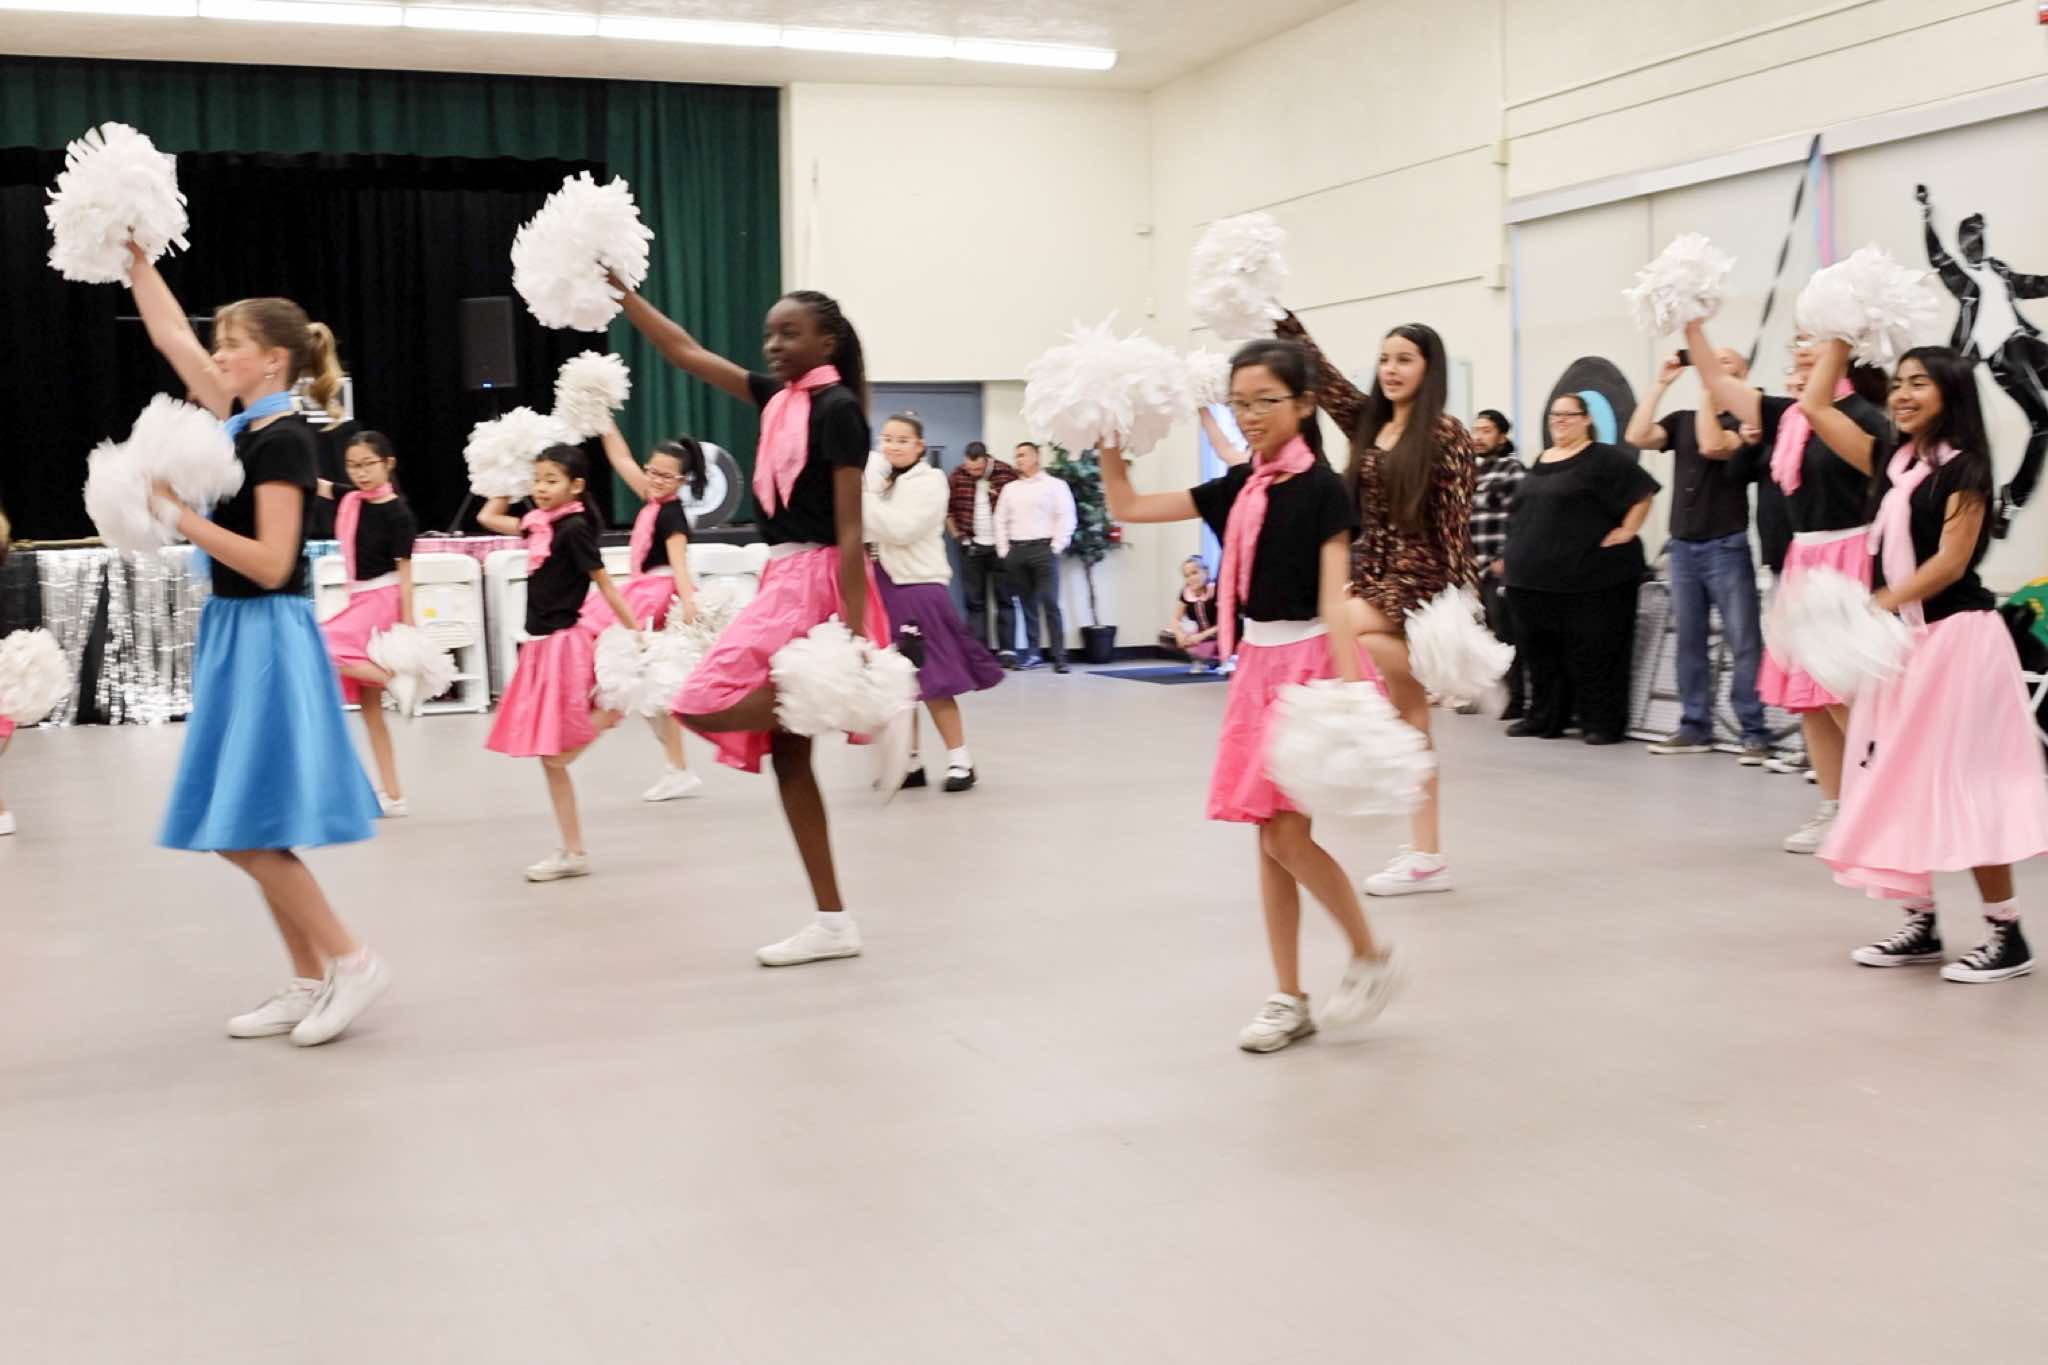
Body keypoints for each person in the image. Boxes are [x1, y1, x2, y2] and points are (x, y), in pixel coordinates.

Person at [1100, 338, 1399, 1053]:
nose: (1251, 414)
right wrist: (1107, 432)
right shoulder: (1241, 487)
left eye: (1267, 400)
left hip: (1309, 665)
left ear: (1304, 404)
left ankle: (1368, 953)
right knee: (1267, 842)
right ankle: (1288, 995)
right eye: (1240, 402)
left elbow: (1333, 600)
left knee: (1285, 836)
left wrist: (1351, 697)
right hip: (1256, 665)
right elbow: (1128, 503)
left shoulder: (1324, 490)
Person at [126, 246, 389, 1047]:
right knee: (253, 820)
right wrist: (132, 252)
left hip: (268, 634)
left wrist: (178, 517)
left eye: (230, 345)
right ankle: (309, 977)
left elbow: (274, 563)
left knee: (241, 825)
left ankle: (351, 960)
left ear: (272, 359)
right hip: (235, 632)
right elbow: (172, 336)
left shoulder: (283, 442)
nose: (215, 356)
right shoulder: (241, 423)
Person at [617, 282, 887, 968]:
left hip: (819, 580)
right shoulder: (777, 401)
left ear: (827, 342)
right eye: (770, 333)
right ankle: (833, 922)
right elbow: (685, 352)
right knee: (789, 761)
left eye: (789, 333)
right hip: (782, 574)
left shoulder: (837, 410)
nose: (774, 344)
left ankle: (852, 699)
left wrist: (856, 637)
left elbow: (850, 530)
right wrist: (624, 295)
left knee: (698, 701)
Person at [1802, 341, 2048, 982]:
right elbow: (1815, 407)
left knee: (1967, 783)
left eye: (1920, 383)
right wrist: (1836, 339)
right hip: (1901, 646)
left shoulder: (1966, 470)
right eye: (1898, 383)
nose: (1903, 395)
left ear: (1950, 393)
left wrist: (1871, 607)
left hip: (1958, 644)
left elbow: (1950, 563)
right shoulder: (1891, 460)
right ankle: (1921, 923)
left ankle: (2007, 934)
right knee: (1893, 779)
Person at [1275, 315, 1475, 899]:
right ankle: (1428, 856)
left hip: (1418, 580)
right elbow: (1326, 378)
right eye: (1385, 358)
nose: (1391, 369)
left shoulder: (1447, 435)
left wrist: (1464, 607)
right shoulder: (1371, 421)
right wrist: (1281, 320)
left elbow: (1456, 527)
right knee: (1412, 719)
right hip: (1373, 576)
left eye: (1404, 359)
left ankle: (1405, 686)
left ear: (1429, 369)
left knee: (1337, 628)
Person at [1688, 318, 1887, 853]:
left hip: (1851, 558)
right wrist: (1692, 324)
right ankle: (1834, 808)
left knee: (1846, 693)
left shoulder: (1865, 416)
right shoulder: (1789, 415)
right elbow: (1718, 381)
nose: (1801, 350)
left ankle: (1878, 807)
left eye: (1814, 340)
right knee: (1811, 698)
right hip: (1804, 560)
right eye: (1797, 341)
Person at [479, 446, 639, 882]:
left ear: (576, 485)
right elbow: (488, 516)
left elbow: (605, 585)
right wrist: (506, 469)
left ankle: (610, 712)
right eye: (537, 480)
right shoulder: (539, 525)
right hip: (540, 645)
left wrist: (637, 633)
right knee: (549, 758)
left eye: (551, 480)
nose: (540, 488)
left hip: (563, 646)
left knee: (554, 755)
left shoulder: (573, 529)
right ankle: (572, 849)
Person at [1625, 350, 1771, 763]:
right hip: (1684, 547)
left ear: (1742, 376)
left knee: (1743, 642)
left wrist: (1711, 388)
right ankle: (1695, 726)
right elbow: (1637, 435)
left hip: (1727, 545)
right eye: (1712, 361)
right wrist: (1660, 384)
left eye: (1726, 364)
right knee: (1689, 642)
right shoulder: (1683, 420)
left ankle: (1754, 731)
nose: (1714, 366)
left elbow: (1712, 445)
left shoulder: (1747, 424)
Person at [1503, 393, 1660, 745]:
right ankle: (1545, 717)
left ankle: (1601, 722)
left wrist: (1628, 530)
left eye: (1568, 414)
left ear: (1586, 419)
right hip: (1533, 579)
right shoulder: (1541, 460)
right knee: (1540, 655)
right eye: (1554, 414)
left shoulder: (1603, 458)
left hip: (1590, 578)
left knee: (1595, 653)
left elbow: (1643, 492)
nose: (1560, 420)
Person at [866, 414, 1004, 792]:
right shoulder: (881, 481)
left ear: (919, 446)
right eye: (887, 439)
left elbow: (901, 529)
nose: (893, 446)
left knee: (934, 678)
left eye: (902, 440)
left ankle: (961, 760)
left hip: (919, 587)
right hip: (883, 586)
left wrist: (863, 499)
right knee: (898, 683)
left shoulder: (929, 482)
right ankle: (909, 762)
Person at [585, 418, 706, 804]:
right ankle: (677, 768)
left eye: (665, 476)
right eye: (652, 471)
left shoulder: (672, 515)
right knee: (652, 689)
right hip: (643, 591)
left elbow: (680, 565)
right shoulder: (654, 498)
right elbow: (620, 457)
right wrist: (602, 418)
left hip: (655, 596)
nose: (655, 479)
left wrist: (689, 604)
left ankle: (678, 768)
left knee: (654, 685)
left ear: (682, 481)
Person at [1919, 183, 2047, 529]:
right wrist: (1927, 216)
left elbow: (2030, 284)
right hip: (2002, 354)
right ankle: (2012, 498)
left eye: (1978, 241)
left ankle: (2011, 498)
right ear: (1962, 246)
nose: (1975, 247)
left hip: (2024, 343)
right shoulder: (1964, 281)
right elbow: (1937, 257)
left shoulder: (1998, 270)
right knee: (2043, 423)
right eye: (1969, 243)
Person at [312, 431, 417, 816]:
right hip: (358, 597)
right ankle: (394, 794)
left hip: (382, 599)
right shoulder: (352, 500)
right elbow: (317, 485)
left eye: (368, 464)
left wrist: (407, 624)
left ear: (388, 464)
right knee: (371, 712)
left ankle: (393, 679)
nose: (360, 473)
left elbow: (406, 574)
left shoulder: (398, 513)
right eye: (352, 466)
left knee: (320, 643)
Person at [994, 442, 1077, 673]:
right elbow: (1000, 520)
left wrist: (1056, 546)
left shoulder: (1055, 486)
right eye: (1016, 456)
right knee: (1027, 605)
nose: (1018, 460)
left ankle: (1060, 656)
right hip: (1017, 551)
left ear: (1036, 457)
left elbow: (1066, 516)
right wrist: (1004, 551)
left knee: (1051, 603)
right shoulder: (1010, 489)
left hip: (1044, 549)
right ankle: (1033, 654)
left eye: (1023, 455)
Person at [1467, 409, 1527, 719]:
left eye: (1486, 430)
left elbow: (1523, 516)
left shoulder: (1512, 470)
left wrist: (1505, 557)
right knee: (1482, 636)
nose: (1478, 437)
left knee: (1506, 636)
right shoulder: (1473, 472)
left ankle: (1516, 700)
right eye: (1476, 430)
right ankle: (1486, 696)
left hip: (1499, 567)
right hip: (1474, 568)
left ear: (1502, 437)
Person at [946, 441, 1016, 651]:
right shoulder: (957, 475)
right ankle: (979, 652)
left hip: (1001, 547)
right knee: (974, 602)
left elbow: (1018, 507)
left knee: (1005, 599)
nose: (972, 472)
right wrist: (957, 535)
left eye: (977, 469)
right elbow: (947, 510)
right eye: (969, 467)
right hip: (971, 546)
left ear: (986, 460)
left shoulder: (1005, 473)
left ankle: (1007, 650)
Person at [1168, 556, 1221, 670]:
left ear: (1206, 572)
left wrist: (1201, 636)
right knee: (1167, 636)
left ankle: (1226, 658)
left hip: (1220, 632)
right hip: (1203, 634)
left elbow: (1226, 622)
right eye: (1186, 576)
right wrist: (1179, 634)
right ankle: (1202, 658)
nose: (1191, 578)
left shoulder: (1216, 590)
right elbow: (1176, 618)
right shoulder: (1186, 593)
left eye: (1194, 573)